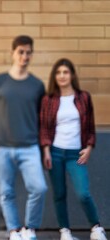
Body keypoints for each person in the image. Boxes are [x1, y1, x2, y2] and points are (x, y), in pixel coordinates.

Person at [0, 35, 47, 240]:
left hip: (30, 147)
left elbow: (42, 118)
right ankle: (14, 231)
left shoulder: (37, 85)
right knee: (6, 192)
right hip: (2, 148)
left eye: (28, 52)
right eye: (20, 51)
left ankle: (30, 229)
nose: (24, 56)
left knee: (39, 188)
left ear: (32, 55)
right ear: (13, 53)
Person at [40, 58, 107, 240]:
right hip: (55, 153)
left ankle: (96, 228)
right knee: (59, 194)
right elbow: (44, 128)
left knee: (83, 193)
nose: (62, 76)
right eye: (58, 72)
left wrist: (89, 148)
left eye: (66, 72)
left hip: (75, 154)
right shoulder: (49, 100)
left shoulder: (83, 97)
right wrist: (46, 150)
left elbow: (90, 127)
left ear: (72, 75)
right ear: (55, 76)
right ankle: (65, 232)